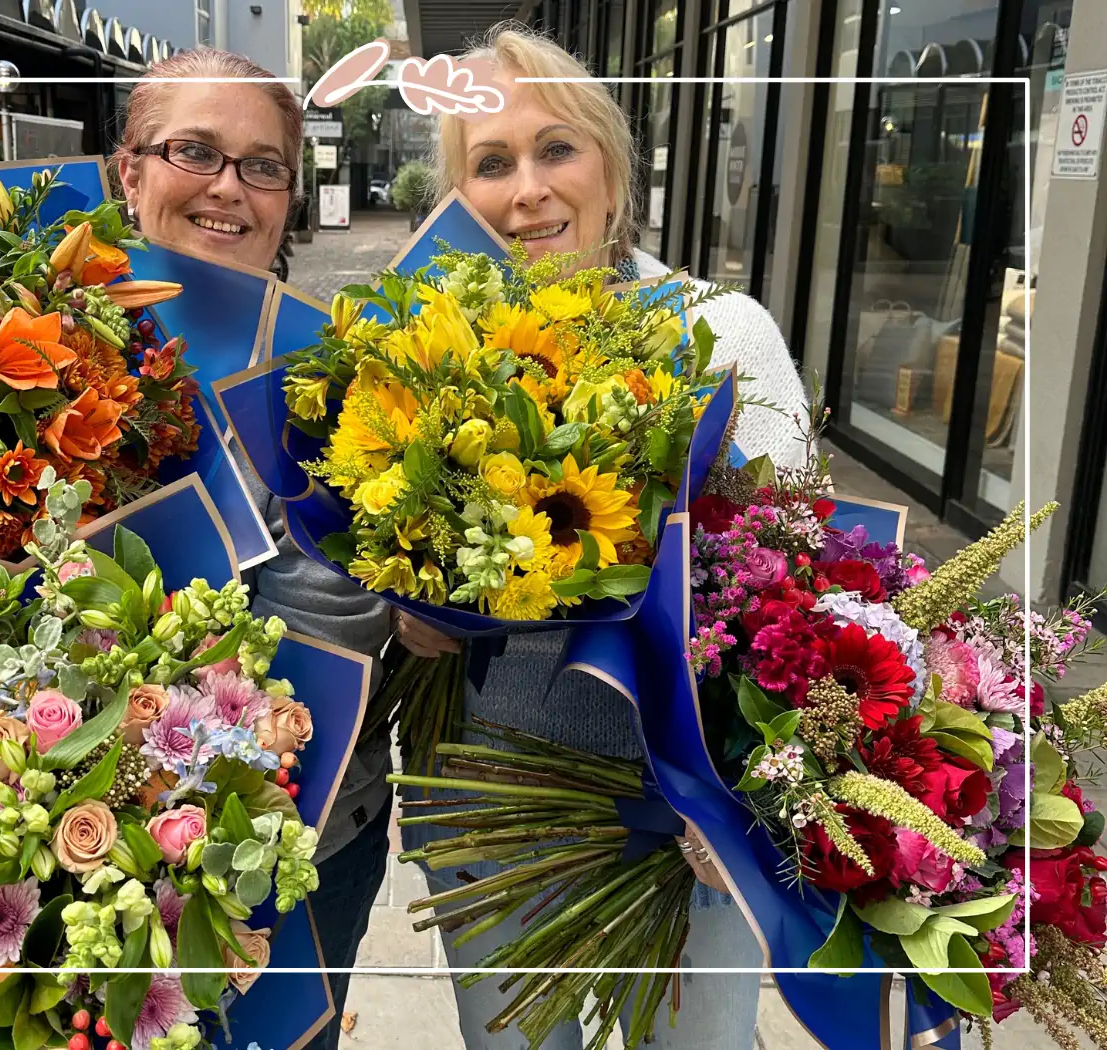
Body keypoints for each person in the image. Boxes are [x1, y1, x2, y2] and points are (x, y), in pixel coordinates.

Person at [393, 24, 810, 1050]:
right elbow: (372, 538)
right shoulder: (417, 350)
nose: (526, 189)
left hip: (677, 814)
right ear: (458, 196)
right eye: (490, 164)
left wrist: (756, 794)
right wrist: (404, 603)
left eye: (554, 149)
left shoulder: (722, 331)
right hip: (484, 793)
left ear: (610, 167)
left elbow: (802, 589)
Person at [114, 49, 393, 1050]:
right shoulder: (26, 358)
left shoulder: (349, 373)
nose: (230, 187)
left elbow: (366, 615)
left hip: (316, 832)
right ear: (129, 172)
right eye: (196, 151)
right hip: (62, 819)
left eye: (261, 165)